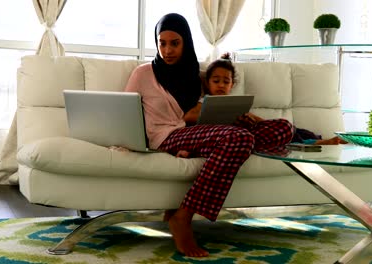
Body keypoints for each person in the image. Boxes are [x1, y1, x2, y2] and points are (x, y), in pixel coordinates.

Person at [124, 13, 293, 257]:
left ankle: (225, 147)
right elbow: (126, 112)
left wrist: (239, 119)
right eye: (162, 43)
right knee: (239, 139)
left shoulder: (196, 76)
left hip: (199, 134)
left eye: (174, 43)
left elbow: (207, 110)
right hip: (166, 137)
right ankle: (183, 216)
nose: (167, 50)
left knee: (283, 128)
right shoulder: (143, 73)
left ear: (187, 43)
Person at [183, 53, 346, 147]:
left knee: (289, 128)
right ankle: (314, 143)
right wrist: (212, 116)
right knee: (286, 132)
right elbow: (188, 117)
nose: (221, 85)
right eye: (216, 81)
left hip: (250, 131)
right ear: (207, 82)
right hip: (229, 137)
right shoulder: (205, 101)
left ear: (232, 84)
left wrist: (259, 121)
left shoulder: (234, 102)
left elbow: (255, 120)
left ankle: (316, 140)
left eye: (226, 82)